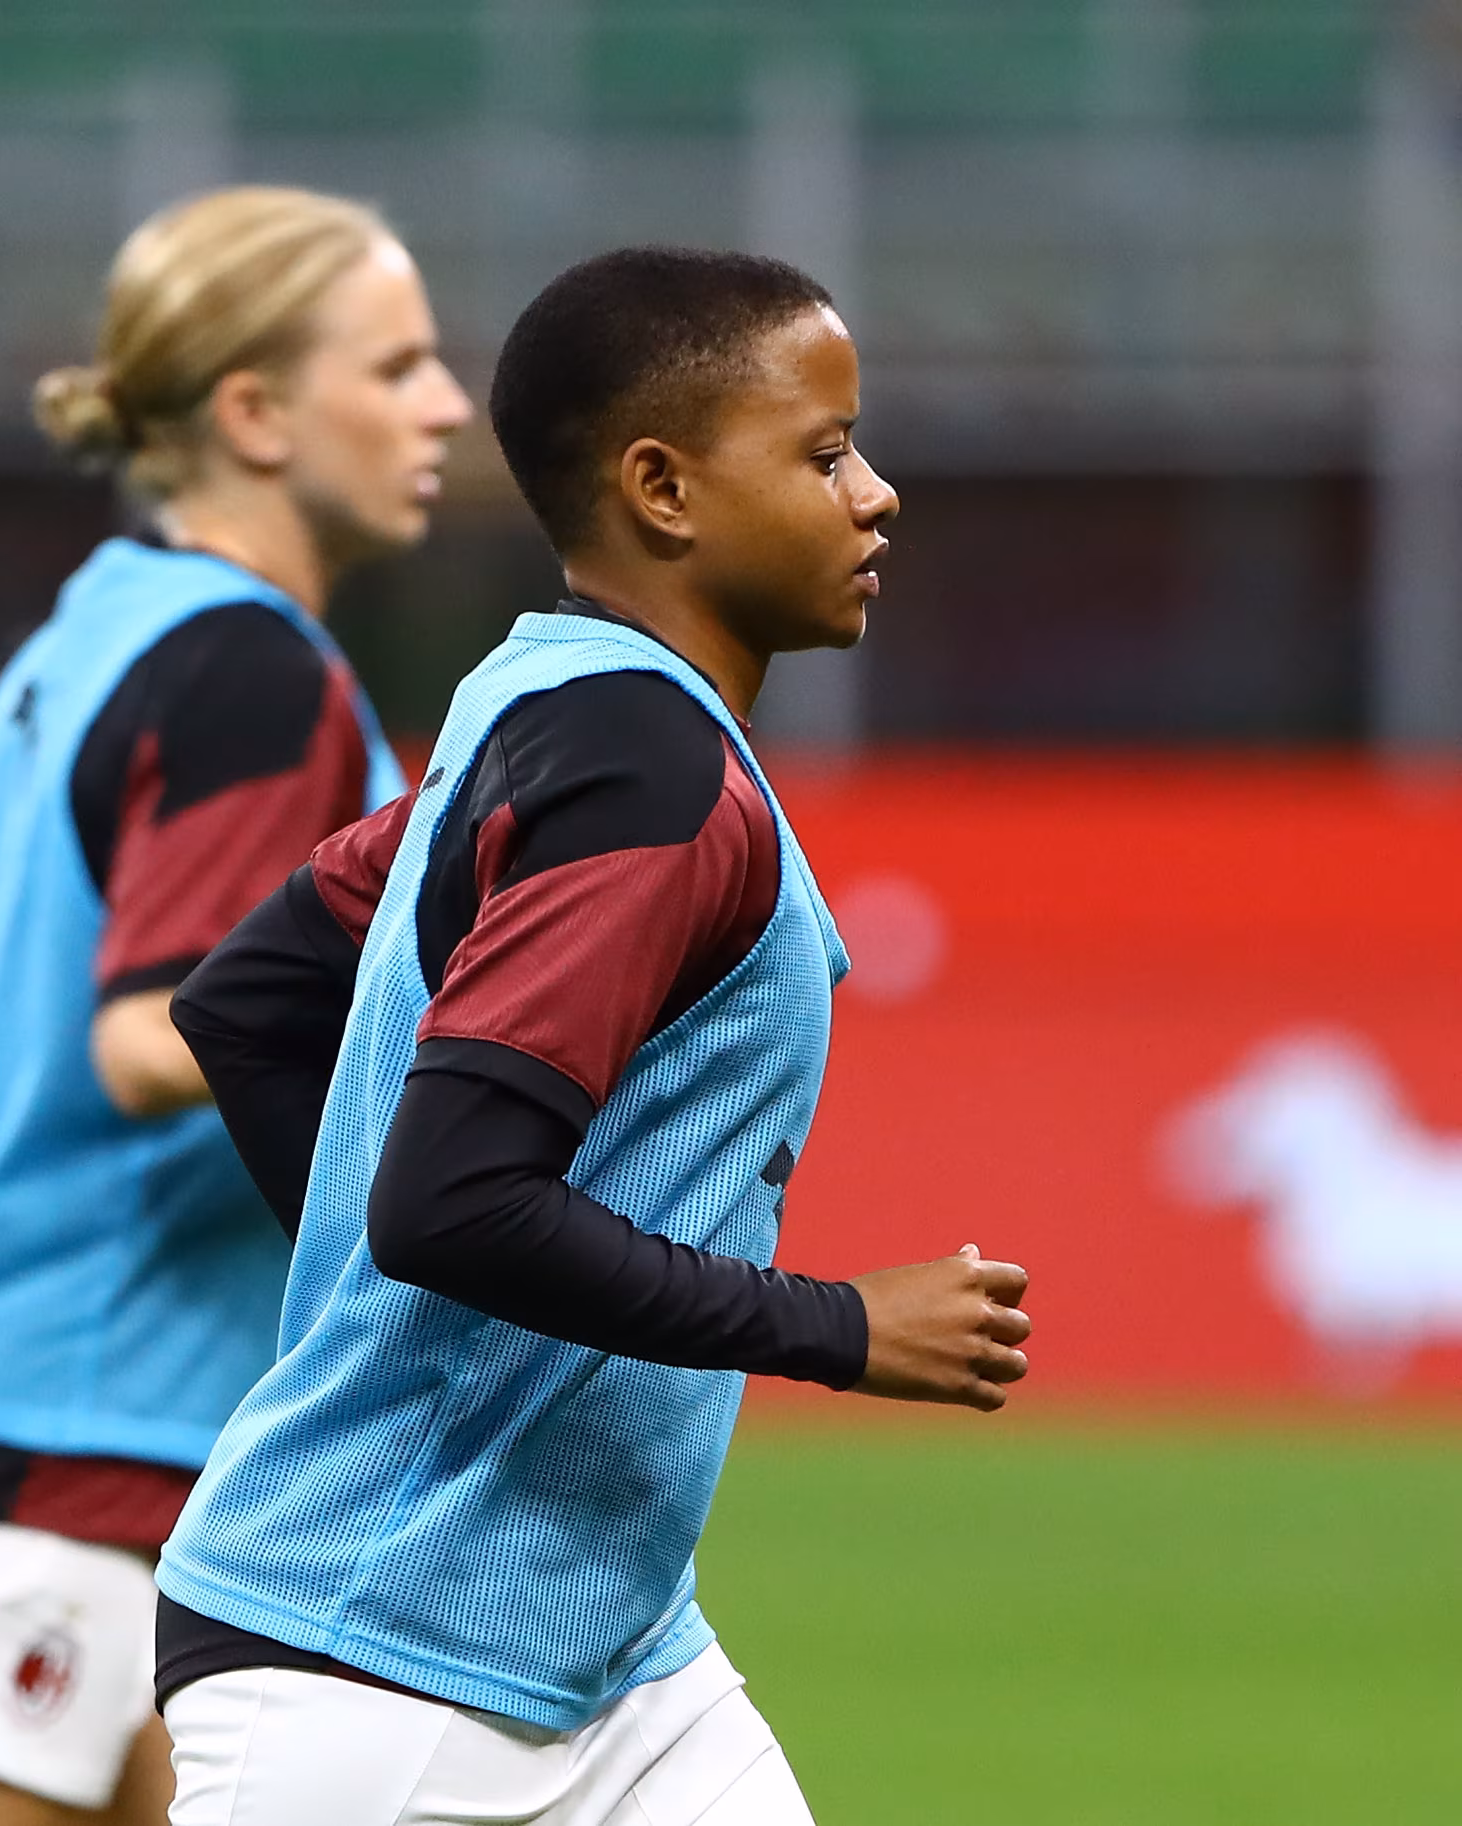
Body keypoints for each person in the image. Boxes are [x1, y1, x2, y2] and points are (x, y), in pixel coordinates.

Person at [148, 247, 1036, 1826]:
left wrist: (389, 1325)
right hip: (372, 1669)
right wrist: (839, 1325)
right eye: (826, 453)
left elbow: (250, 1002)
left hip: (614, 1662)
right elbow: (449, 1200)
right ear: (662, 488)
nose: (875, 493)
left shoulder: (542, 706)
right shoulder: (640, 764)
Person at [0, 187, 468, 1826]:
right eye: (398, 366)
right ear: (254, 414)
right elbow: (149, 1035)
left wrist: (16, 1026)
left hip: (103, 1448)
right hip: (62, 1447)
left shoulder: (100, 630)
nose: (447, 404)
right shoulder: (254, 670)